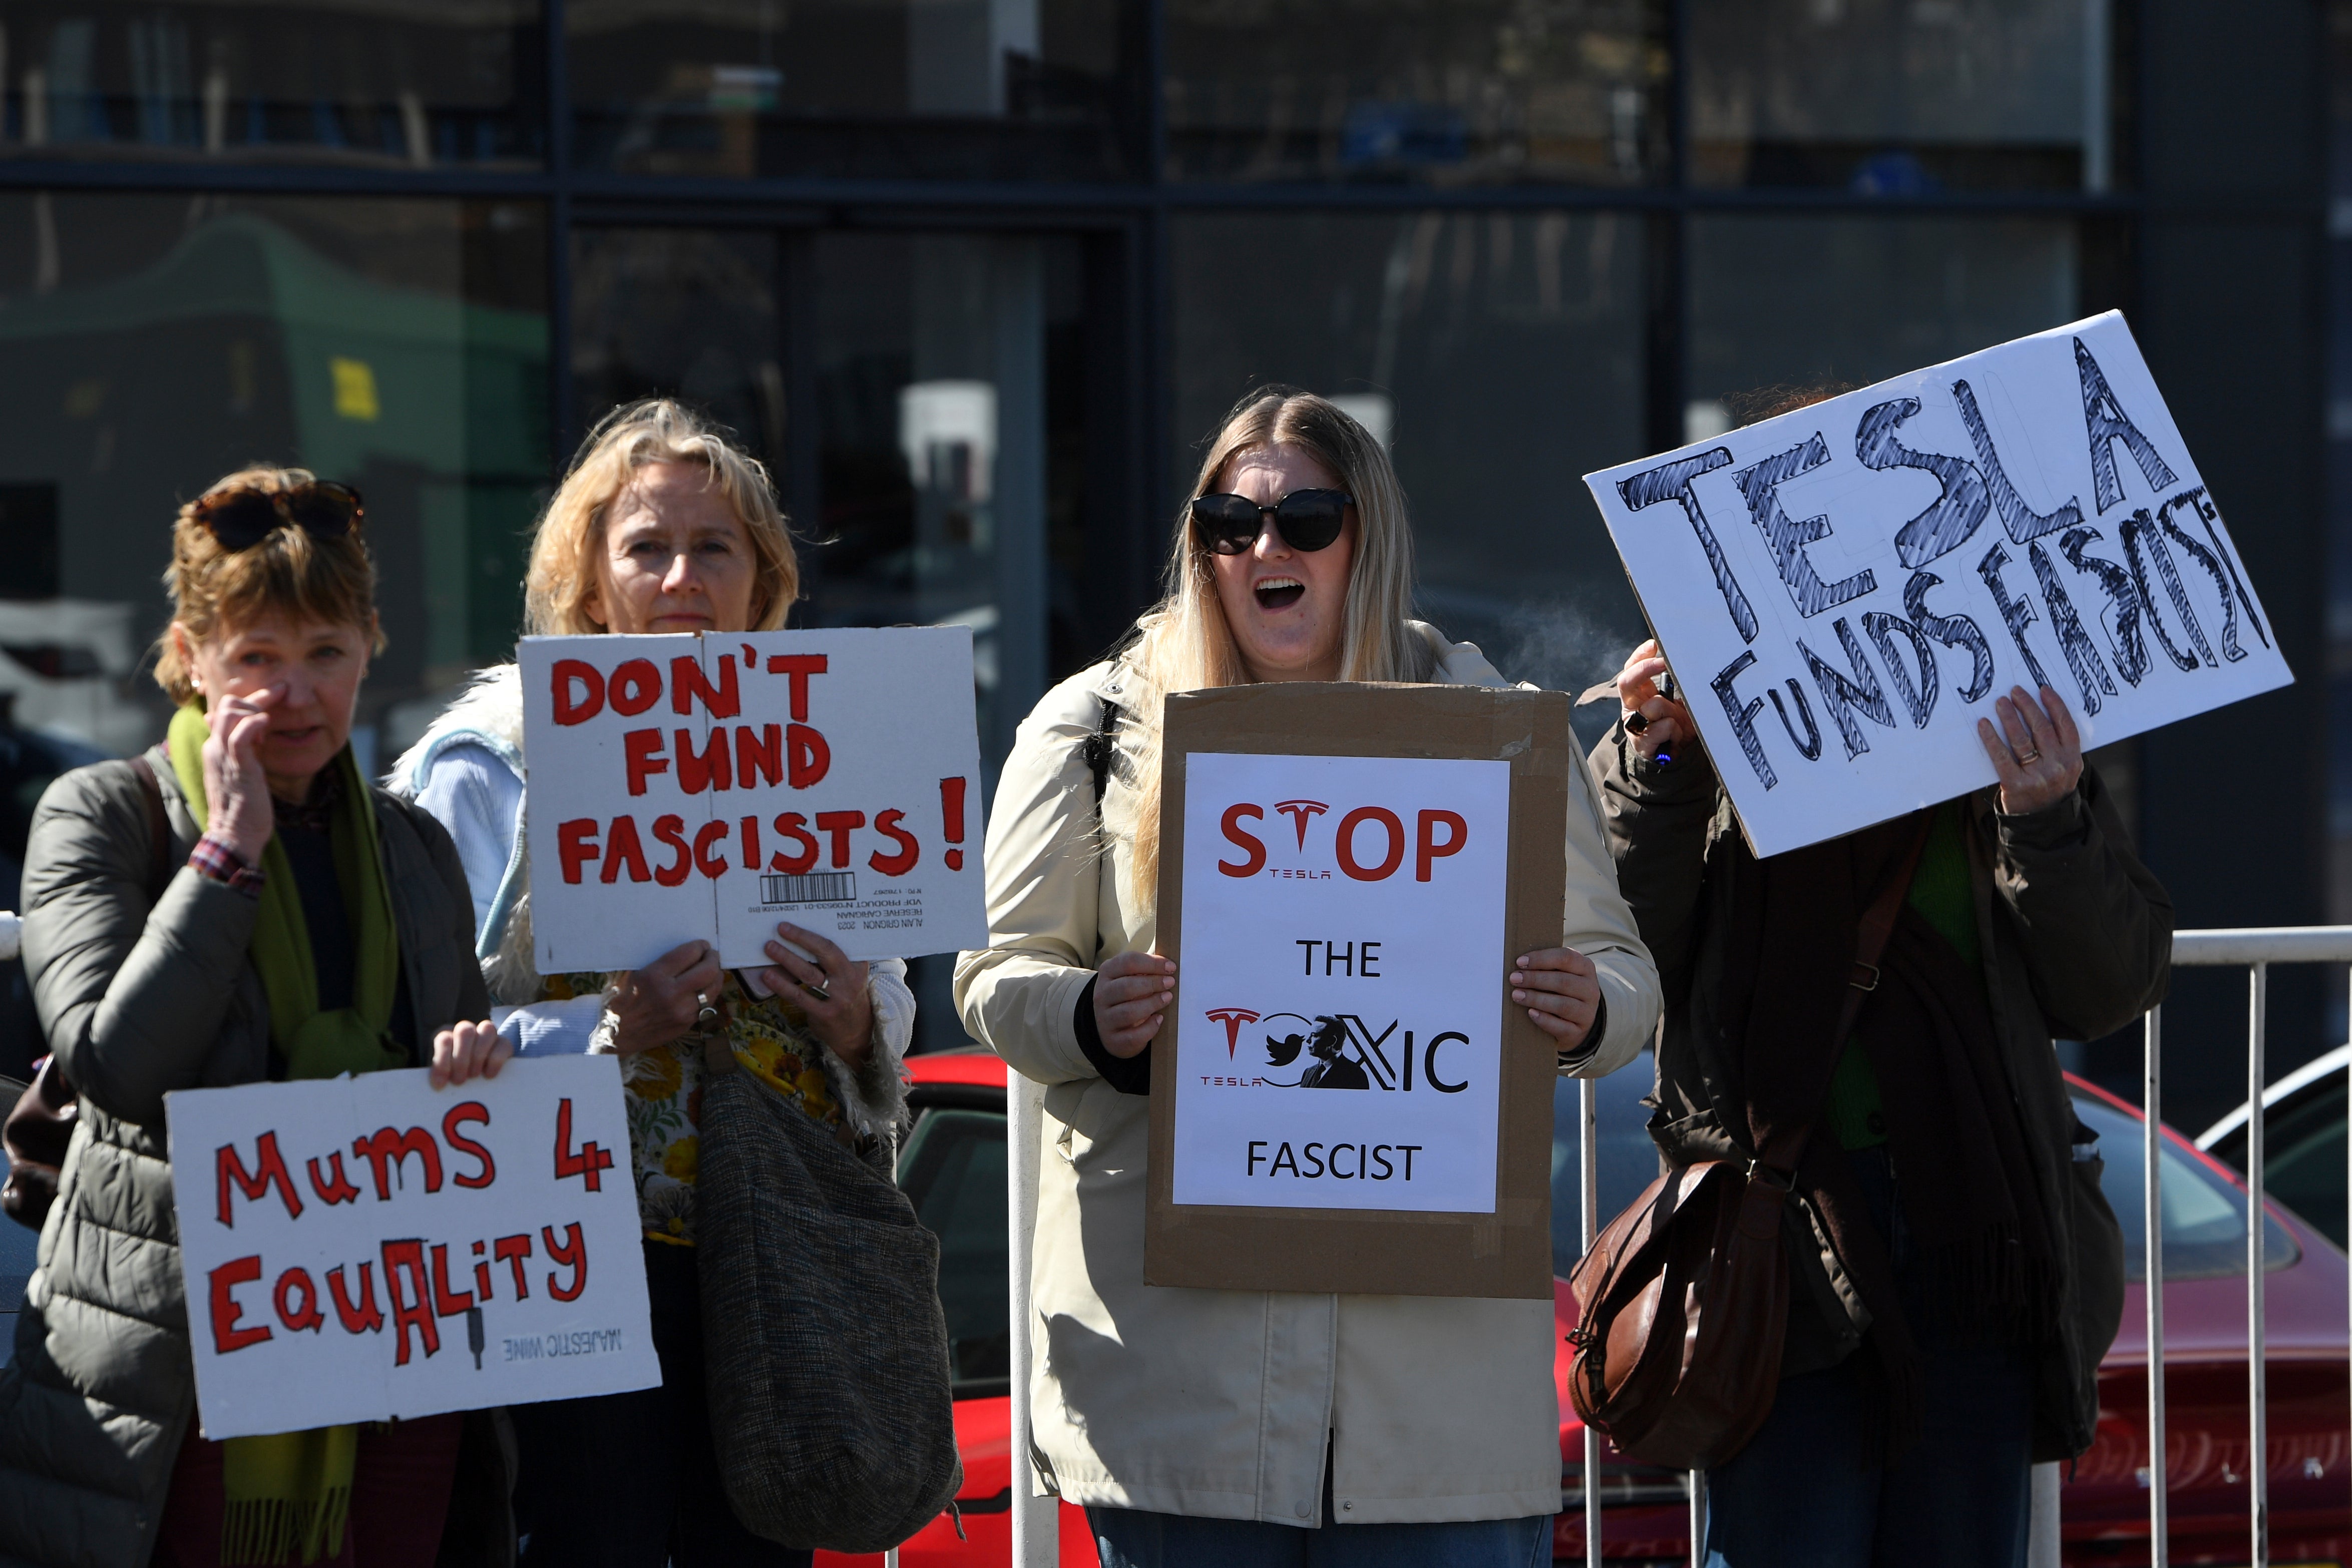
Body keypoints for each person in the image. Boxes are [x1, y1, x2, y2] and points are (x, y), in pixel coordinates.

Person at [954, 387, 1661, 1567]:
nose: (1264, 548)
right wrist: (1087, 1012)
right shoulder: (1094, 727)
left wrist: (1588, 1009)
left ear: (1363, 536)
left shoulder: (1486, 725)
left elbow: (1622, 973)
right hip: (1182, 1393)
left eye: (1305, 521)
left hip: (1430, 1415)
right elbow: (996, 974)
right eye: (1230, 525)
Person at [1592, 390, 2170, 1568]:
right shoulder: (1680, 740)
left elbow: (2110, 988)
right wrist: (1662, 763)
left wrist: (2047, 820)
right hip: (1778, 1257)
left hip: (1977, 1251)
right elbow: (1625, 956)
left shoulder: (1995, 731)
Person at [392, 398, 915, 1568]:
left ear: (763, 577)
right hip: (567, 1267)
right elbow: (421, 1035)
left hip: (779, 1259)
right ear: (589, 581)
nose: (683, 578)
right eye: (647, 547)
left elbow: (887, 985)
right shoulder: (491, 763)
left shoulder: (828, 743)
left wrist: (855, 1019)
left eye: (714, 547)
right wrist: (604, 1029)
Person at [1, 468, 511, 1566]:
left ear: (370, 648)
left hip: (399, 1353)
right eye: (256, 659)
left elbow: (459, 1083)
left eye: (325, 653)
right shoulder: (103, 815)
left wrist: (472, 1068)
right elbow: (115, 1066)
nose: (294, 693)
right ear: (191, 658)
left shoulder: (413, 846)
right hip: (181, 1369)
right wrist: (227, 855)